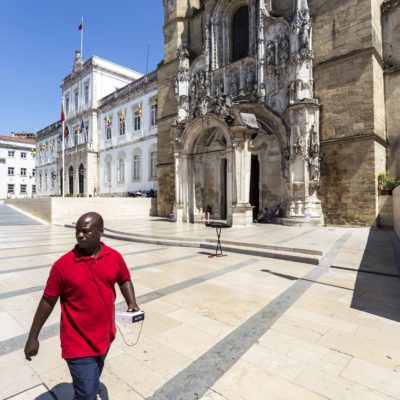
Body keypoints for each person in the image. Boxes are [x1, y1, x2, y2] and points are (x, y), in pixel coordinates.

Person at [24, 212, 140, 400]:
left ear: (100, 231)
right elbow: (47, 301)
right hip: (77, 342)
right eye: (77, 231)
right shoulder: (62, 265)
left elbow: (124, 279)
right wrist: (33, 337)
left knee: (91, 382)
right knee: (86, 394)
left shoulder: (114, 257)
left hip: (105, 337)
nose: (79, 235)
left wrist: (132, 302)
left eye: (85, 231)